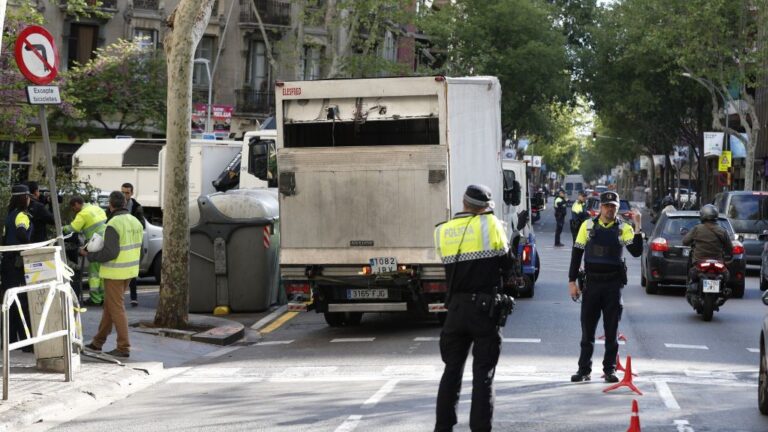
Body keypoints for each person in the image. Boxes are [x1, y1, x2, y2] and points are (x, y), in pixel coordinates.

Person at [434, 185, 517, 432]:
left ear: (463, 202)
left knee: (451, 371)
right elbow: (507, 262)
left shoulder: (442, 231)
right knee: (483, 374)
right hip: (483, 310)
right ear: (484, 208)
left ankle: (443, 427)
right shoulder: (491, 224)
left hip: (455, 310)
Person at [568, 191, 642, 383]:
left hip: (612, 285)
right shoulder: (588, 226)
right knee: (587, 330)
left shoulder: (623, 228)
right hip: (591, 284)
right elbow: (576, 254)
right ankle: (583, 370)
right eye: (607, 206)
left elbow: (636, 252)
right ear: (600, 207)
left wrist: (638, 226)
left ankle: (609, 369)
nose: (610, 209)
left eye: (613, 207)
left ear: (617, 208)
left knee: (611, 330)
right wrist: (572, 282)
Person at [83, 191, 144, 358]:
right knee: (110, 308)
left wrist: (90, 255)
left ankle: (123, 347)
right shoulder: (135, 222)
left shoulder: (113, 224)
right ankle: (97, 343)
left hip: (115, 272)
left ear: (110, 205)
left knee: (116, 309)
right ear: (124, 203)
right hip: (130, 271)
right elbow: (141, 249)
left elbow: (110, 252)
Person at [1, 185, 34, 351]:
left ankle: (9, 340)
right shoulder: (22, 216)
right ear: (24, 198)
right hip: (17, 265)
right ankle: (27, 344)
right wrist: (30, 249)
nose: (29, 200)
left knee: (10, 303)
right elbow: (22, 233)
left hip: (7, 264)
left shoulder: (10, 215)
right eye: (28, 197)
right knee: (22, 303)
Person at [64, 196, 108, 305]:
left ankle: (95, 299)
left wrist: (62, 228)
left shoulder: (82, 214)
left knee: (94, 273)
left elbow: (73, 228)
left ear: (77, 204)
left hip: (95, 242)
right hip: (106, 240)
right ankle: (103, 297)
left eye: (73, 208)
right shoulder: (96, 208)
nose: (73, 210)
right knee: (102, 270)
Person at [108, 183, 145, 307]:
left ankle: (133, 297)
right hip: (119, 240)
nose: (125, 195)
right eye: (123, 192)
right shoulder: (113, 206)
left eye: (127, 192)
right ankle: (117, 299)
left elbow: (141, 224)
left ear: (132, 193)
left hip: (130, 240)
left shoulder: (136, 207)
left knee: (131, 271)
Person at [682, 204, 733, 289]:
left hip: (699, 262)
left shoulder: (697, 229)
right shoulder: (722, 231)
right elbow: (729, 248)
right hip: (717, 263)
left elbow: (685, 241)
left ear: (703, 215)